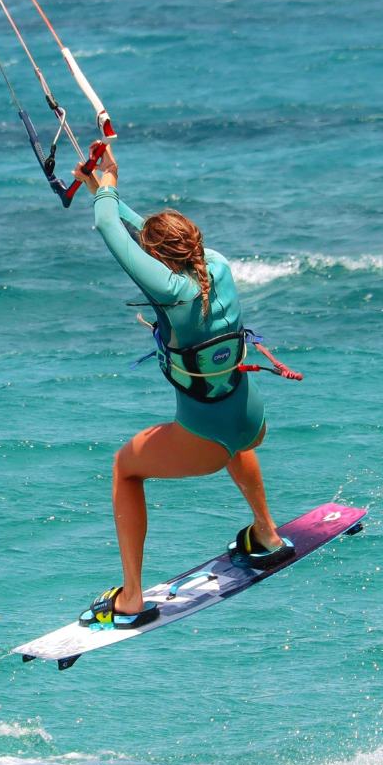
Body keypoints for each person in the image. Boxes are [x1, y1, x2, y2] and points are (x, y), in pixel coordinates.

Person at [75, 145, 295, 630]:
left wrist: (106, 194)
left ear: (160, 262)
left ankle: (130, 598)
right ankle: (267, 535)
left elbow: (114, 235)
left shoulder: (172, 292)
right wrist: (101, 189)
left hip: (205, 442)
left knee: (125, 467)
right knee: (233, 434)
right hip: (250, 421)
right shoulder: (215, 264)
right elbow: (141, 237)